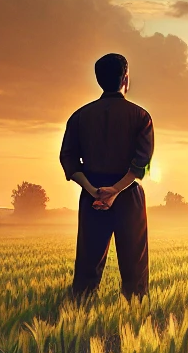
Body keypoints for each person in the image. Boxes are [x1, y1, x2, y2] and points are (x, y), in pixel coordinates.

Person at [59, 53, 154, 299]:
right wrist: (115, 190)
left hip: (92, 196)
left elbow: (68, 158)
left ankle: (78, 319)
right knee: (135, 267)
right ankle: (135, 317)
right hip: (128, 196)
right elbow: (140, 163)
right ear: (125, 78)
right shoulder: (141, 116)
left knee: (87, 266)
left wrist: (93, 190)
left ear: (99, 80)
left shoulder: (79, 116)